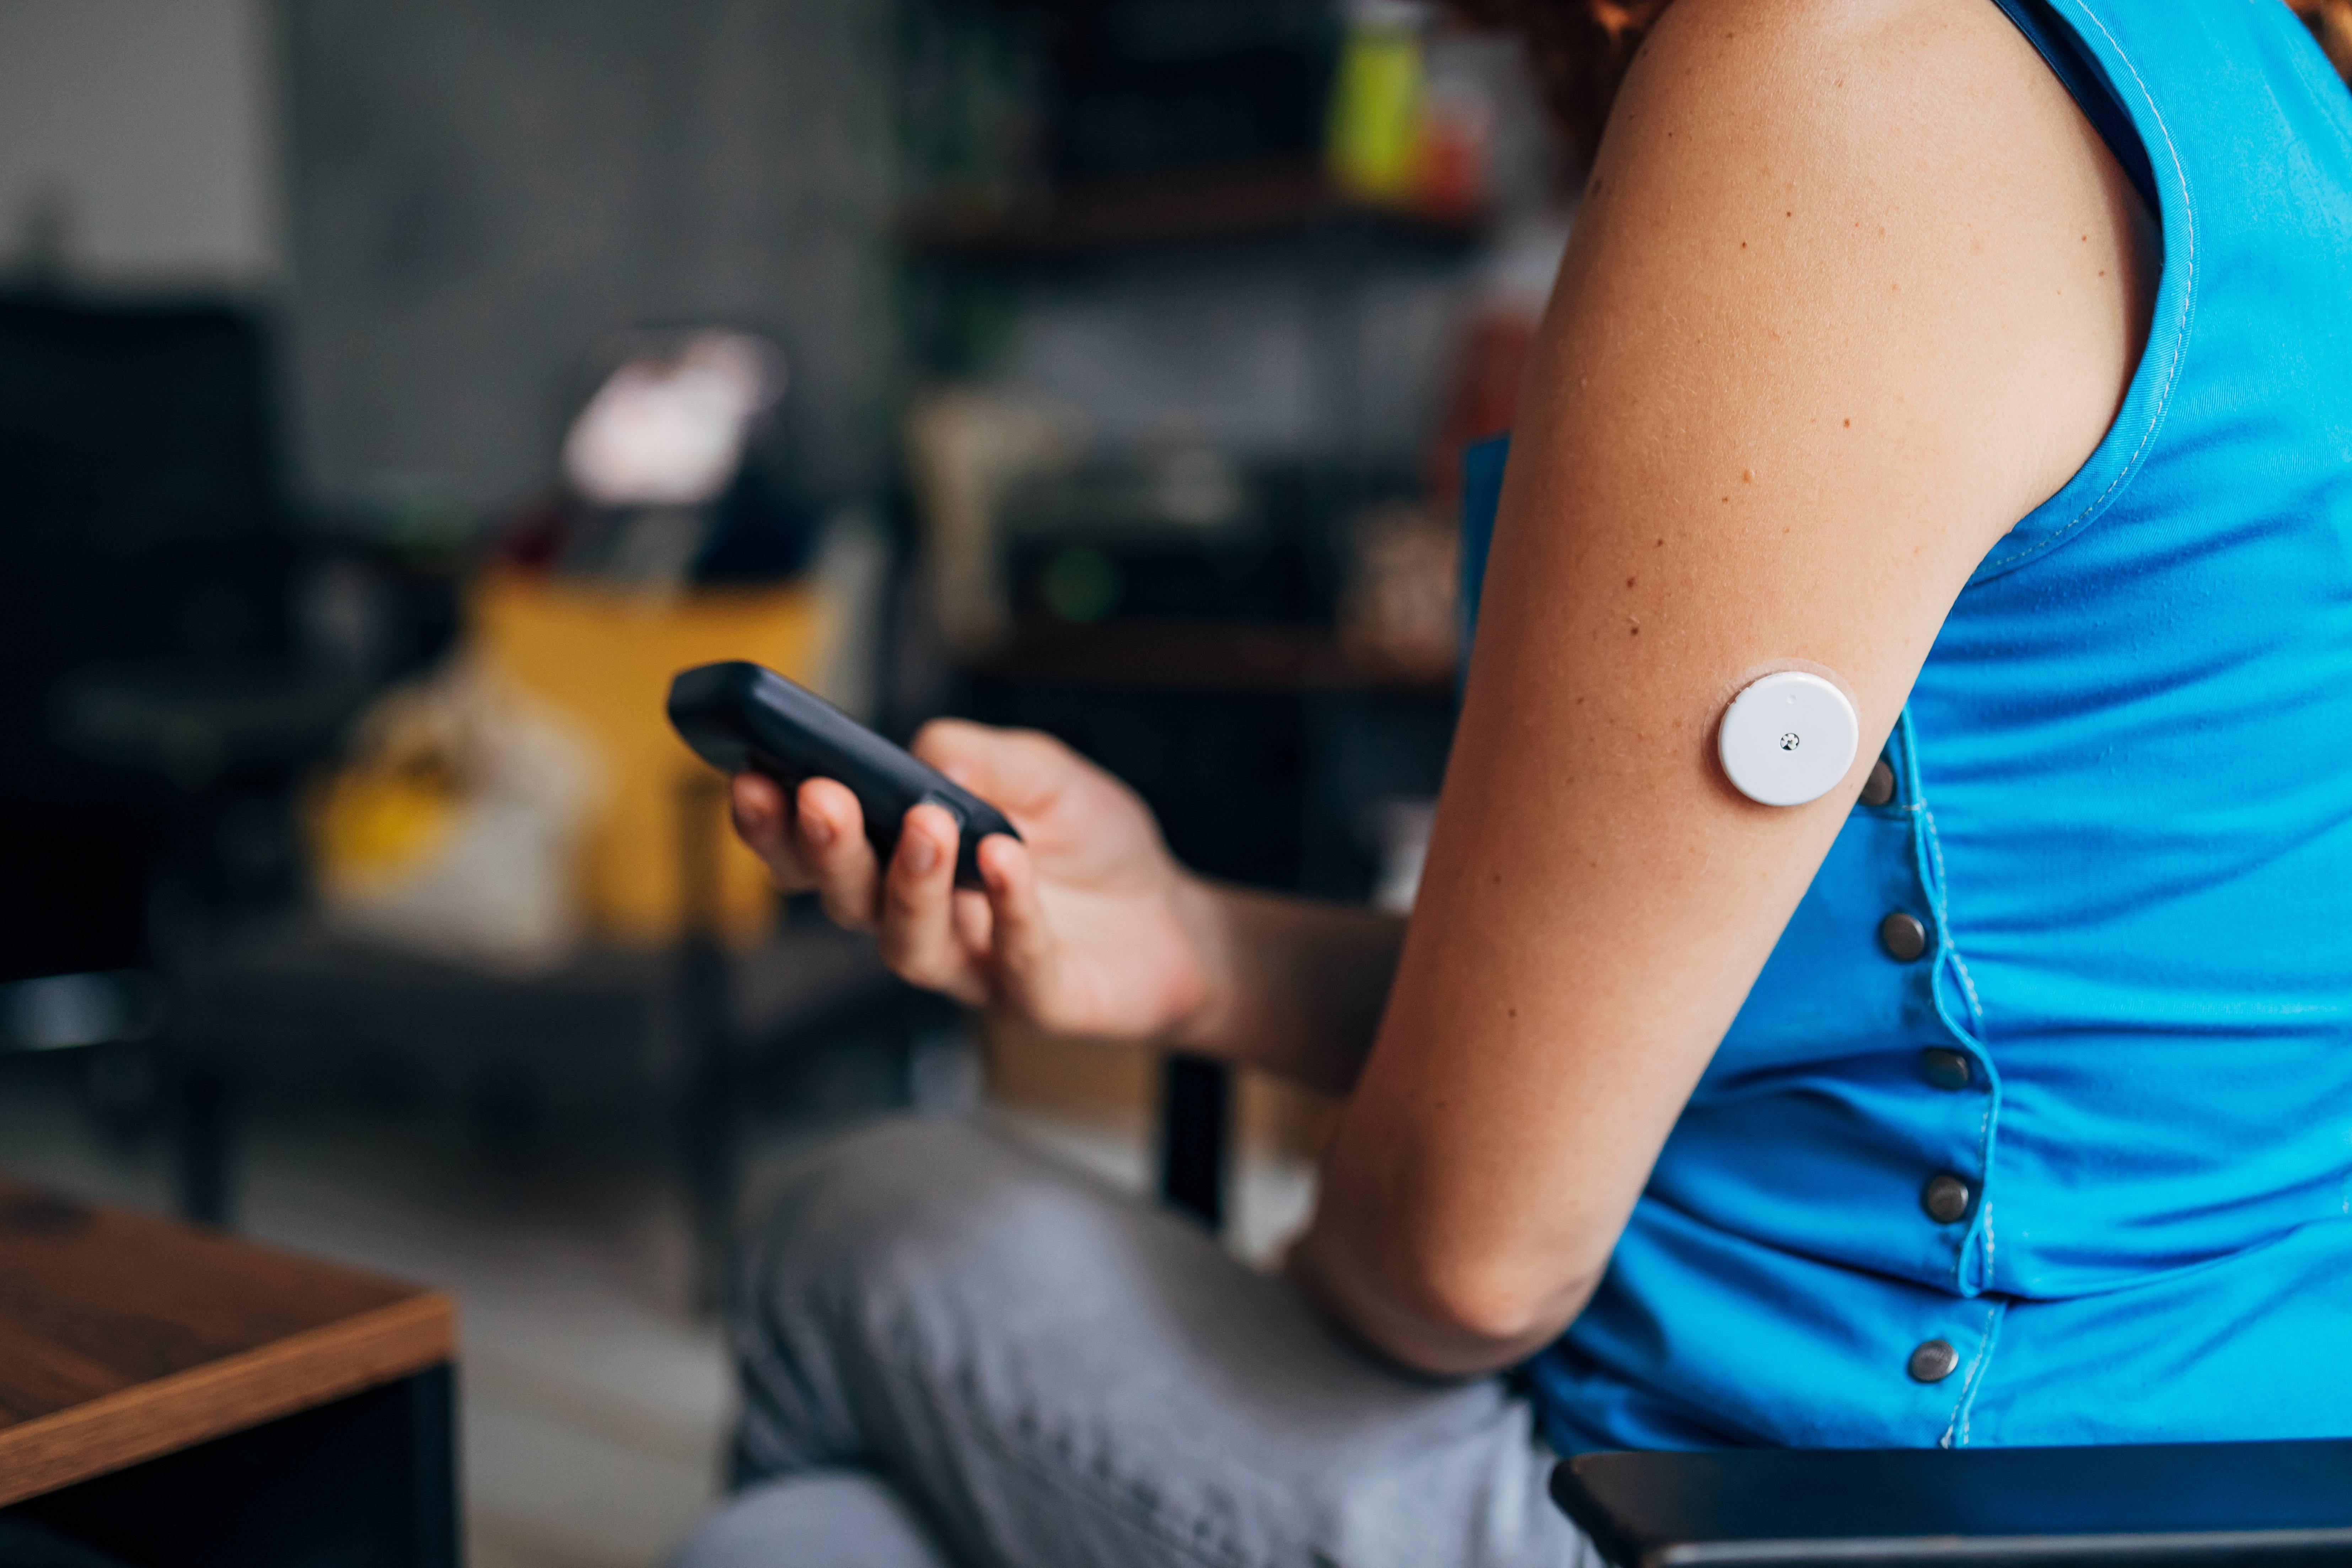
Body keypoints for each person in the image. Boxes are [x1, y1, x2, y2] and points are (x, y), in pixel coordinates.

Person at [676, 1, 2352, 1563]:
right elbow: (1792, 1014)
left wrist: (1309, 1271)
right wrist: (1192, 941)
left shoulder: (1854, 71)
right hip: (2249, 1480)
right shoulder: (2265, 96)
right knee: (805, 1546)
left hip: (1787, 1506)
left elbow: (1461, 1265)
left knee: (859, 1213)